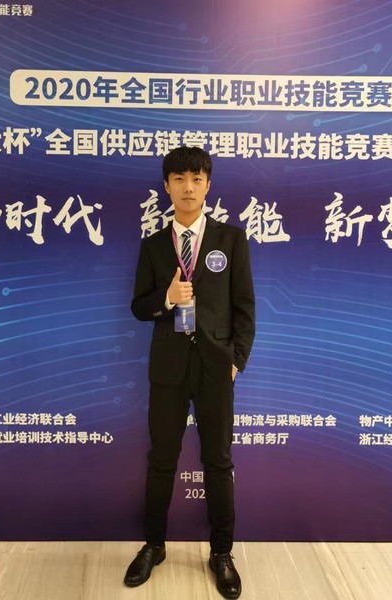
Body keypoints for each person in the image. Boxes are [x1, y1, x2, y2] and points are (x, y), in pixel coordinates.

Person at [124, 146, 256, 599]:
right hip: (169, 368)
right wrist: (167, 299)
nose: (188, 187)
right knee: (162, 459)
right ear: (166, 186)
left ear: (208, 185)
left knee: (218, 461)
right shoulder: (153, 246)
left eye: (197, 179)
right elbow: (139, 306)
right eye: (179, 179)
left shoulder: (231, 239)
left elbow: (245, 308)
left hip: (216, 368)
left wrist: (236, 360)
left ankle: (222, 553)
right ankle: (154, 545)